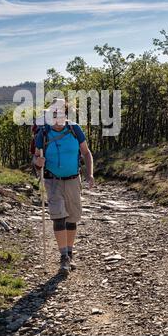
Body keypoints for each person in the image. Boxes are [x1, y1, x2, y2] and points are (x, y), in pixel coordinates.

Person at [34, 107, 94, 274]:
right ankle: (63, 258)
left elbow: (86, 153)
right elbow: (35, 157)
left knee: (72, 218)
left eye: (61, 116)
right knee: (58, 216)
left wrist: (89, 174)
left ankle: (69, 252)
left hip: (73, 179)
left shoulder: (75, 130)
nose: (58, 120)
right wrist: (38, 161)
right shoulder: (43, 133)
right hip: (52, 180)